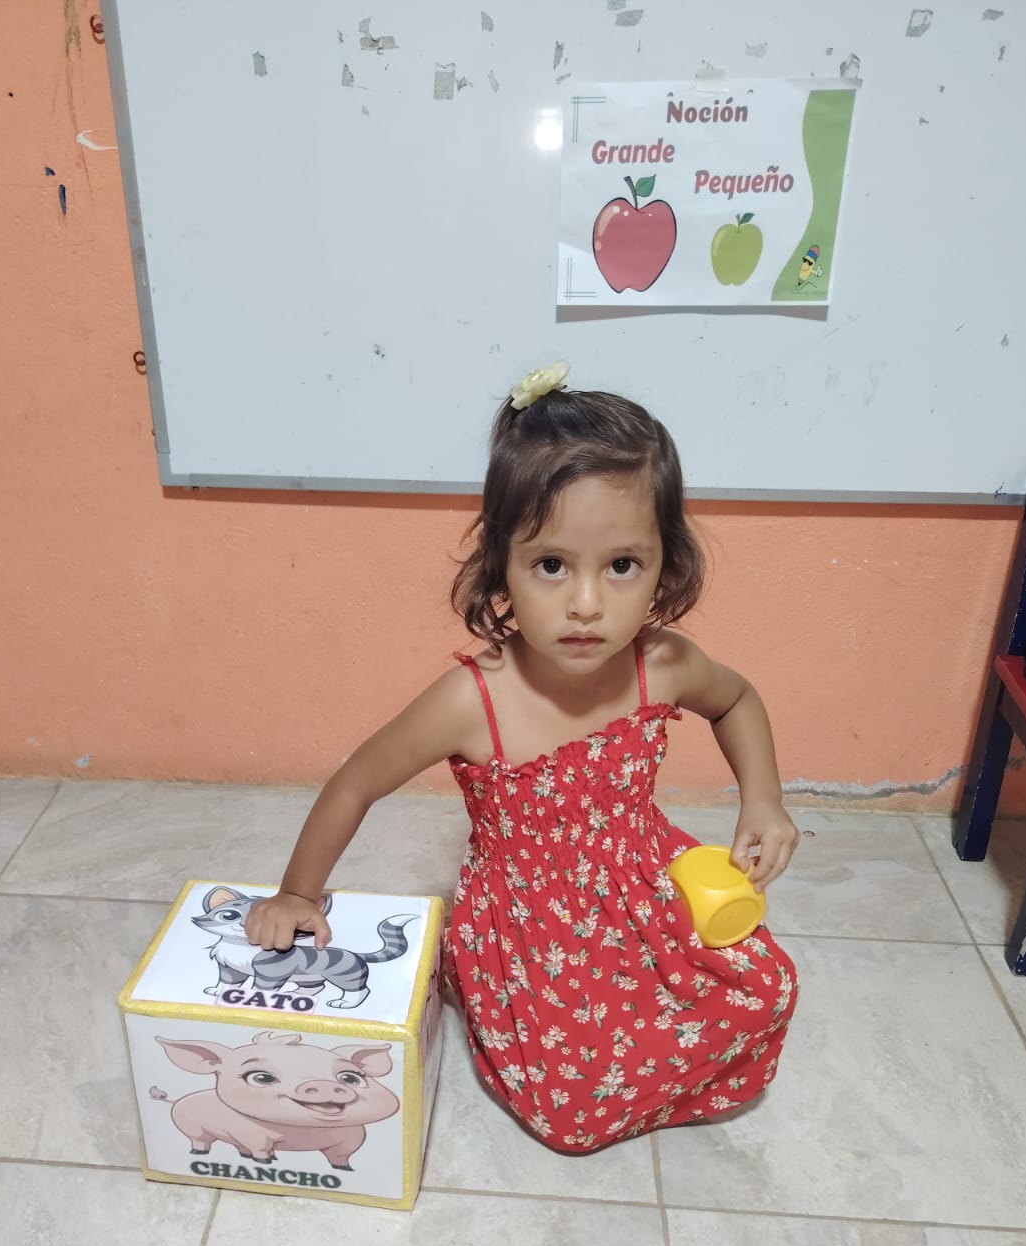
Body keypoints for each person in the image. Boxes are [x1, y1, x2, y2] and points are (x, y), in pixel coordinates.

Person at [246, 363, 799, 1152]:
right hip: (530, 922)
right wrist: (298, 893)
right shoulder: (472, 700)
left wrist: (764, 799)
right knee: (571, 1107)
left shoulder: (664, 665)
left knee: (764, 988)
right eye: (551, 565)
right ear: (501, 564)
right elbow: (355, 784)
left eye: (621, 565)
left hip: (641, 883)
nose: (586, 603)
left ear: (665, 565)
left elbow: (737, 700)